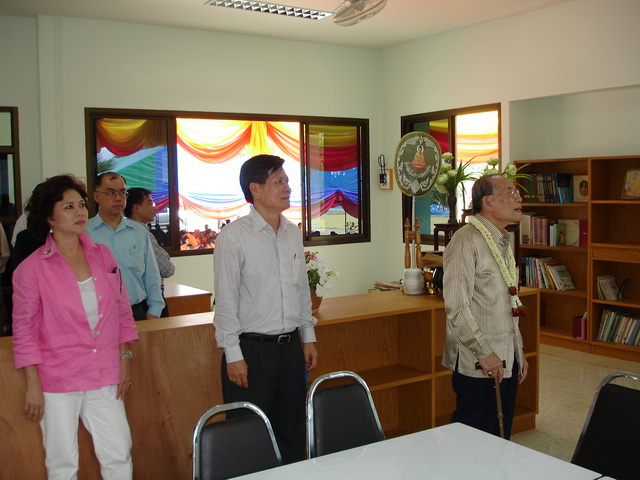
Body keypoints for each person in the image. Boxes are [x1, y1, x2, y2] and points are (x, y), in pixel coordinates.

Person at [11, 175, 139, 479]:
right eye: (68, 207)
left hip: (103, 371)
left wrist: (125, 358)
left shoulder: (102, 255)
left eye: (81, 204)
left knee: (119, 452)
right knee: (62, 461)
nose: (80, 212)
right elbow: (25, 333)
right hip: (57, 378)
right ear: (49, 217)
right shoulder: (31, 269)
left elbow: (122, 310)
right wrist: (33, 385)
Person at [213, 154, 318, 464]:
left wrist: (308, 337)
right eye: (278, 181)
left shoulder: (291, 232)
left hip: (290, 350)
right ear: (255, 189)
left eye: (287, 181)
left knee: (292, 433)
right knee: (248, 438)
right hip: (252, 352)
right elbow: (226, 299)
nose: (287, 187)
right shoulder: (234, 236)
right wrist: (233, 355)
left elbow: (301, 289)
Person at [441, 174, 529, 439]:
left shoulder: (502, 239)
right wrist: (484, 352)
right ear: (488, 202)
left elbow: (508, 302)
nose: (519, 197)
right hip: (479, 363)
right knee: (474, 441)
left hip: (506, 357)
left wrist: (518, 351)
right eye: (510, 191)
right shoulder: (465, 241)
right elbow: (457, 307)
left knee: (500, 437)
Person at [87, 172, 164, 320]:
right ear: (96, 196)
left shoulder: (139, 232)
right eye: (110, 193)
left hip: (136, 311)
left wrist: (154, 310)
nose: (118, 198)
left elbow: (152, 275)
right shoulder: (85, 233)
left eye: (122, 193)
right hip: (98, 315)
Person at [124, 187, 175, 317]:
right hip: (147, 301)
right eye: (150, 202)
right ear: (136, 208)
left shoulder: (124, 231)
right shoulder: (142, 233)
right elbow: (168, 269)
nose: (154, 207)